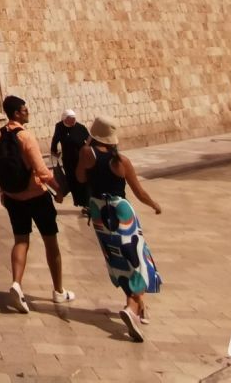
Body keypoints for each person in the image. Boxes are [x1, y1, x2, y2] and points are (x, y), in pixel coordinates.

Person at [75, 118, 162, 343]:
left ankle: (139, 306)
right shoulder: (122, 161)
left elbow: (80, 177)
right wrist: (154, 205)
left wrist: (87, 146)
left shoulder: (86, 153)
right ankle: (132, 308)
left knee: (118, 261)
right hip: (121, 212)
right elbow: (139, 192)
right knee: (140, 262)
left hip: (98, 213)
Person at [0, 95, 73, 312]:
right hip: (36, 196)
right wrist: (59, 190)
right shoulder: (25, 136)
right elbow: (42, 171)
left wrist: (3, 192)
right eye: (24, 110)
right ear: (16, 113)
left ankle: (16, 284)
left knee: (20, 240)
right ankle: (59, 291)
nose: (27, 112)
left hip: (13, 197)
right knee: (51, 242)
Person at [50, 109, 91, 209]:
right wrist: (54, 151)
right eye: (71, 119)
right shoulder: (59, 127)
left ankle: (87, 203)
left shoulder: (80, 128)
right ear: (65, 119)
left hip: (81, 160)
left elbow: (89, 139)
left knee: (83, 181)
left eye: (74, 118)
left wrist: (87, 149)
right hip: (68, 161)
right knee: (72, 181)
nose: (73, 121)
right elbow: (55, 139)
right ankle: (79, 202)